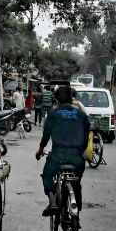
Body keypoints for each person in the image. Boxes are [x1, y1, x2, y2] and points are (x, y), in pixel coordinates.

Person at [35, 85, 91, 219]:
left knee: (47, 175)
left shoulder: (53, 114)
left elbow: (46, 135)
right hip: (77, 158)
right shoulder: (81, 115)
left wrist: (40, 151)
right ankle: (76, 214)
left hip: (57, 156)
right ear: (71, 99)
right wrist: (81, 151)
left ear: (56, 99)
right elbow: (86, 135)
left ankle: (53, 202)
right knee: (76, 182)